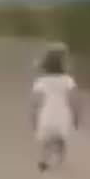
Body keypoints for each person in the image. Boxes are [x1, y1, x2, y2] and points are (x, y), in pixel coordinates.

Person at [30, 43, 82, 172]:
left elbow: (35, 103)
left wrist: (33, 118)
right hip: (62, 115)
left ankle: (44, 159)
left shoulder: (41, 81)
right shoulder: (68, 80)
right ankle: (59, 158)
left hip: (46, 114)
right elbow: (73, 100)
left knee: (46, 141)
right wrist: (76, 116)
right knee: (60, 139)